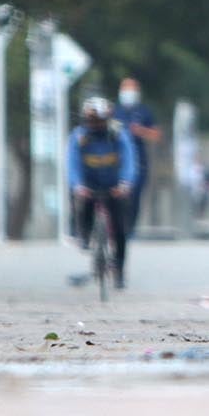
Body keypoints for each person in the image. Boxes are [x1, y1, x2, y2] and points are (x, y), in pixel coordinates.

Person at [68, 96, 137, 288]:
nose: (96, 125)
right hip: (89, 185)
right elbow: (72, 163)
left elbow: (129, 159)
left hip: (114, 186)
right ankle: (84, 235)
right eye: (92, 121)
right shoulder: (79, 136)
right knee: (82, 207)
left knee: (120, 228)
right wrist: (77, 185)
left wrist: (125, 183)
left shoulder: (118, 134)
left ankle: (120, 271)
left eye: (100, 120)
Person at [112, 77, 162, 236]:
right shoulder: (114, 111)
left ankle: (130, 229)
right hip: (117, 160)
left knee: (134, 196)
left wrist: (141, 131)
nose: (128, 93)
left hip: (138, 161)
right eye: (125, 89)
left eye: (131, 89)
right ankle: (115, 225)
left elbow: (156, 135)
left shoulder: (144, 112)